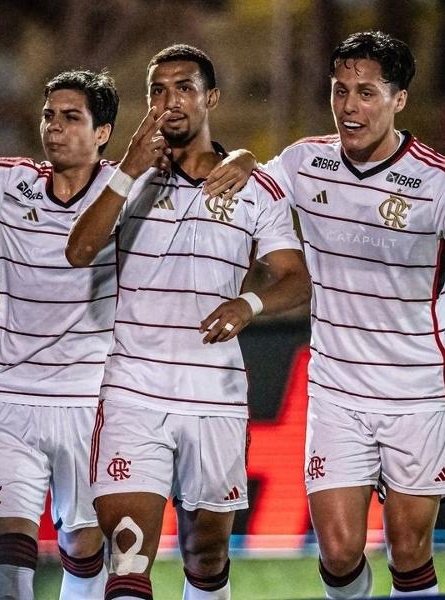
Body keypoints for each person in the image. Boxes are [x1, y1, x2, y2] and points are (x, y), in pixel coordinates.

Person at [204, 30, 445, 598]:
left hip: (416, 389)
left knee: (410, 551)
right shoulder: (304, 162)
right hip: (336, 387)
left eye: (365, 93)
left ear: (399, 99)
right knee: (338, 553)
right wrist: (237, 156)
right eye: (340, 91)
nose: (349, 107)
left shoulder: (435, 182)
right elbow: (254, 184)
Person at [66, 44, 311, 600]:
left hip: (214, 393)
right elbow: (79, 250)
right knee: (127, 552)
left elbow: (296, 279)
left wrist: (248, 304)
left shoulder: (253, 187)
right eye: (157, 90)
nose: (169, 101)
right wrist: (128, 167)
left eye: (183, 88)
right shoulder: (121, 181)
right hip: (134, 389)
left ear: (212, 98)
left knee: (206, 552)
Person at [0, 69, 120, 599]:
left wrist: (243, 157)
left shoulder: (131, 195)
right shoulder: (7, 182)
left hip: (89, 401)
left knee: (83, 548)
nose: (55, 127)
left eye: (72, 118)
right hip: (10, 398)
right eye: (50, 115)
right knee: (8, 552)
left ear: (102, 133)